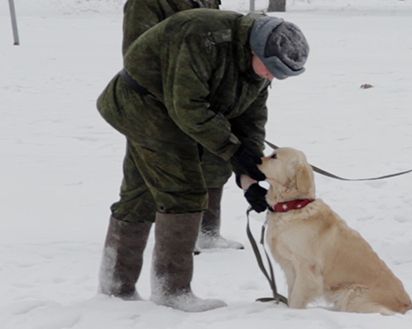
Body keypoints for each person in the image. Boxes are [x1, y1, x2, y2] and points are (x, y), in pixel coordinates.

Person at [97, 8, 309, 312]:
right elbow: (188, 107)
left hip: (172, 113)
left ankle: (115, 287)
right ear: (256, 48)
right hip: (144, 105)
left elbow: (251, 119)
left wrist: (248, 173)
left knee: (140, 194)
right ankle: (172, 291)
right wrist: (233, 151)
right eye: (272, 69)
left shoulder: (257, 66)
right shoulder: (201, 35)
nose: (272, 77)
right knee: (183, 189)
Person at [121, 0, 241, 253]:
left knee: (214, 161)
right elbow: (136, 53)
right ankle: (143, 248)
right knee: (147, 177)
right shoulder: (145, 3)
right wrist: (179, 92)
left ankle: (206, 232)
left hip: (200, 96)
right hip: (154, 100)